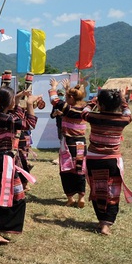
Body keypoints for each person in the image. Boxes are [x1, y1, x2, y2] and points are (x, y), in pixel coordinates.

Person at [0, 86, 38, 244]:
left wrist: (18, 98)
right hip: (3, 162)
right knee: (13, 197)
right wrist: (29, 104)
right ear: (8, 103)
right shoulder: (7, 119)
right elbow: (30, 123)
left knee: (2, 197)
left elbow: (15, 113)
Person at [81, 89, 132, 235]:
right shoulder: (123, 120)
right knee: (113, 192)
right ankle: (107, 225)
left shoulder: (93, 116)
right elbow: (128, 113)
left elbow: (84, 111)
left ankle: (101, 221)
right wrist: (123, 100)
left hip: (94, 159)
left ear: (100, 105)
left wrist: (93, 101)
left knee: (97, 189)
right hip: (112, 160)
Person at [49, 78, 88, 208]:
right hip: (81, 144)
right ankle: (81, 197)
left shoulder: (67, 109)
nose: (65, 98)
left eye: (66, 96)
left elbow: (54, 100)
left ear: (71, 98)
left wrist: (54, 87)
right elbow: (70, 101)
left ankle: (70, 197)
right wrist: (67, 90)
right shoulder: (85, 109)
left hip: (68, 144)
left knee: (66, 171)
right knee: (80, 170)